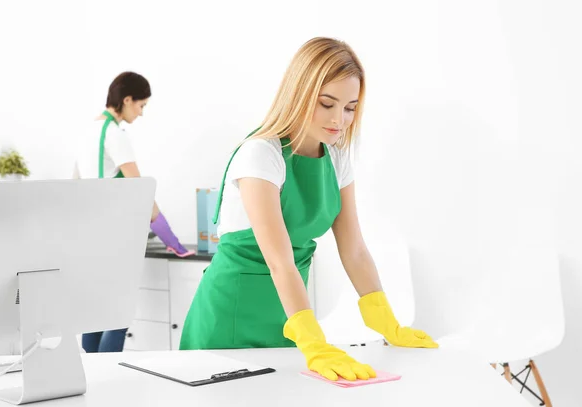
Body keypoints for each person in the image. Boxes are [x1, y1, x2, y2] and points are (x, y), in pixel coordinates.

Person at [179, 38, 438, 380]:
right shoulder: (261, 153)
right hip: (232, 317)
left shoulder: (337, 156)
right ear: (299, 93)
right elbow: (279, 259)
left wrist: (385, 321)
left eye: (349, 107)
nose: (339, 119)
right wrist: (313, 340)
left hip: (289, 319)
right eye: (326, 104)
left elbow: (355, 250)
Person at [73, 71, 194, 353]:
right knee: (117, 312)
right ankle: (110, 377)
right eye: (141, 106)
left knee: (93, 311)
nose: (140, 113)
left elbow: (74, 185)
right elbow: (141, 191)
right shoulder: (115, 135)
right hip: (114, 236)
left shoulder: (86, 133)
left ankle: (93, 380)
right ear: (126, 100)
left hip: (87, 236)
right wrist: (172, 242)